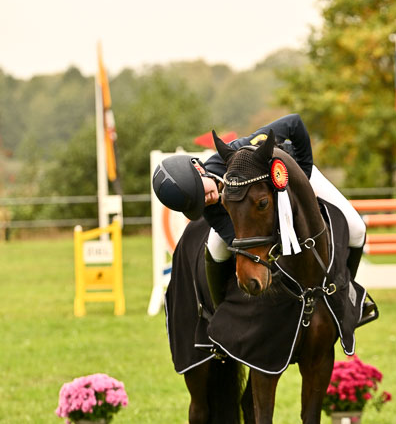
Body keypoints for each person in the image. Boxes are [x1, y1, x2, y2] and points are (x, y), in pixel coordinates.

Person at [152, 114, 375, 322]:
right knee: (215, 249)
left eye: (206, 193)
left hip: (293, 175)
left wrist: (304, 180)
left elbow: (294, 123)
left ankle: (349, 297)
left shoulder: (237, 151)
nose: (209, 200)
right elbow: (234, 237)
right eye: (201, 203)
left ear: (199, 169)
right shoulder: (209, 206)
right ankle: (222, 315)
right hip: (261, 209)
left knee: (356, 228)